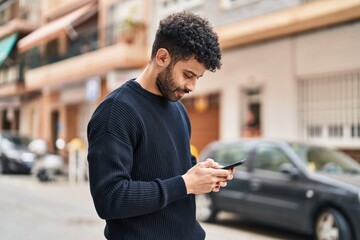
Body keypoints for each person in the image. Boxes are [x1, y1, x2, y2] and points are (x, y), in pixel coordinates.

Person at [87, 11, 233, 240]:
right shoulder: (115, 111)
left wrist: (204, 174)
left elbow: (177, 174)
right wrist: (185, 184)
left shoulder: (178, 110)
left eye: (198, 78)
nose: (192, 86)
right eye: (187, 74)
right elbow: (110, 199)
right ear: (162, 57)